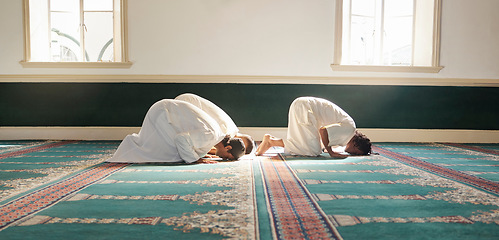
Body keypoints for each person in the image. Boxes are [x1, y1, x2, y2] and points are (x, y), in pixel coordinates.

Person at [107, 99, 246, 164]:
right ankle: (131, 145)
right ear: (228, 148)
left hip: (164, 111)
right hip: (163, 114)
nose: (223, 159)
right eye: (227, 157)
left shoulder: (215, 135)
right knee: (171, 154)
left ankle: (133, 145)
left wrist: (199, 155)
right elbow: (181, 139)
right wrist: (196, 160)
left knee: (179, 153)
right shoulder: (211, 135)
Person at [256, 97, 371, 158]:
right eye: (356, 153)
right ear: (356, 146)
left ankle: (271, 141)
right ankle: (271, 142)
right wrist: (331, 153)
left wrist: (326, 147)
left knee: (314, 146)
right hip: (305, 107)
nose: (353, 153)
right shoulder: (349, 131)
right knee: (313, 150)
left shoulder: (348, 131)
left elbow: (325, 137)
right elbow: (323, 131)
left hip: (302, 106)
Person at [174, 93, 255, 154]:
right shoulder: (227, 132)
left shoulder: (232, 128)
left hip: (186, 100)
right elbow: (209, 147)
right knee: (184, 145)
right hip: (185, 104)